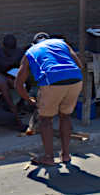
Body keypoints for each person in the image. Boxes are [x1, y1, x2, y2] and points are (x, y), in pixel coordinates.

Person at [15, 32, 83, 166]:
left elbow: (18, 83)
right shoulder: (61, 43)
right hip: (75, 79)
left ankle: (48, 157)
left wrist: (28, 99)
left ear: (34, 43)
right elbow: (79, 64)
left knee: (45, 120)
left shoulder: (31, 51)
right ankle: (66, 155)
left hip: (52, 81)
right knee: (66, 116)